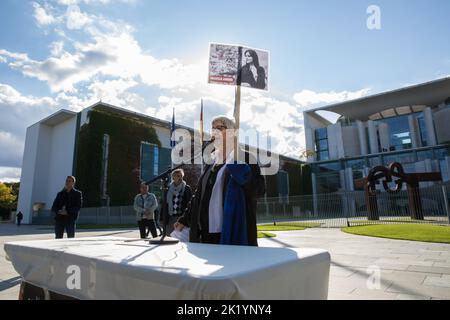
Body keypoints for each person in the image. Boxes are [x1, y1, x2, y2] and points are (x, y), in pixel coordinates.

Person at [174, 116, 266, 246]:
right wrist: (184, 219)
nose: (214, 131)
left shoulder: (244, 157)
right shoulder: (211, 161)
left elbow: (259, 191)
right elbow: (199, 195)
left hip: (231, 231)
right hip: (205, 232)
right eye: (212, 128)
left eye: (220, 128)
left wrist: (244, 176)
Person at [163, 169, 192, 236]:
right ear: (173, 177)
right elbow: (165, 203)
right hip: (170, 217)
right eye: (178, 176)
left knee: (179, 238)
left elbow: (190, 204)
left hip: (181, 217)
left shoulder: (187, 188)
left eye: (181, 176)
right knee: (169, 237)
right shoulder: (168, 188)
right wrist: (162, 218)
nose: (180, 178)